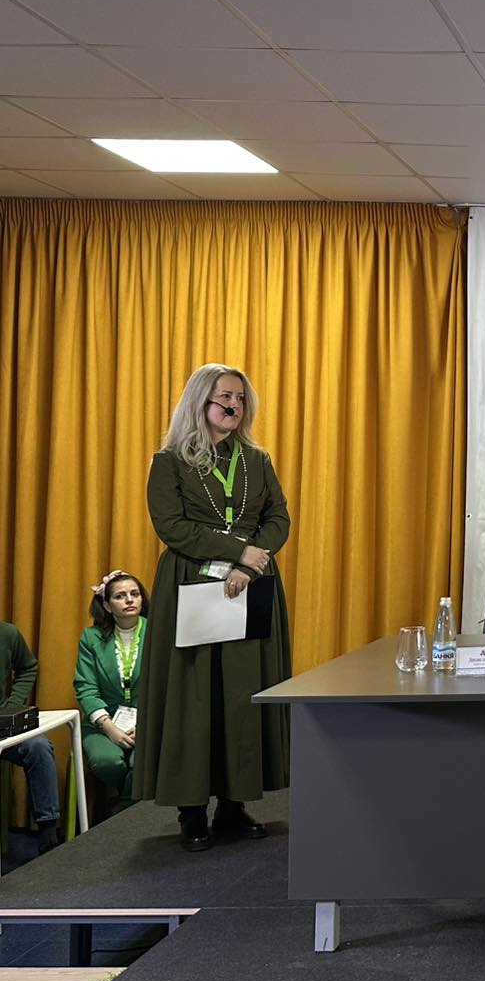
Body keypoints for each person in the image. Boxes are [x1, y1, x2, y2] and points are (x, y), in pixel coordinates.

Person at [138, 364, 291, 851]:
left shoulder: (257, 459)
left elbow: (278, 517)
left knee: (242, 693)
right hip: (191, 585)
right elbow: (172, 526)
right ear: (199, 401)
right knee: (195, 696)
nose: (233, 406)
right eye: (224, 397)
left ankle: (233, 804)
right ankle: (190, 810)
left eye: (240, 399)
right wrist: (238, 552)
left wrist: (251, 562)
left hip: (250, 584)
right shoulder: (169, 461)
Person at [75, 570, 148, 813]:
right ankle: (130, 807)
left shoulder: (159, 632)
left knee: (142, 763)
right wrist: (110, 728)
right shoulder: (90, 637)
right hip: (103, 722)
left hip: (150, 721)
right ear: (107, 605)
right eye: (120, 596)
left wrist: (146, 723)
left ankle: (123, 809)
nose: (129, 600)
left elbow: (169, 685)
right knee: (107, 763)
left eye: (135, 594)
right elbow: (85, 687)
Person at [0, 621, 61, 852]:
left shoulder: (7, 633)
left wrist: (12, 706)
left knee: (38, 746)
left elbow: (28, 667)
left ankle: (48, 832)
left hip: (2, 721)